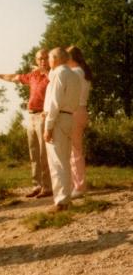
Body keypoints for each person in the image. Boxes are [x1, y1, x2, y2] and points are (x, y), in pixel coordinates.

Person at [0, 49, 53, 198]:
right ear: (36, 60)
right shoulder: (33, 75)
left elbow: (58, 84)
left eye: (45, 58)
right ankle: (37, 185)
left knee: (44, 154)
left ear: (49, 60)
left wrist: (45, 72)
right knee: (34, 153)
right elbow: (14, 77)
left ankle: (48, 187)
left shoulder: (53, 74)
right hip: (31, 116)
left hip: (44, 116)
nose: (42, 61)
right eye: (39, 59)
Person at [43, 47, 81, 211]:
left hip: (58, 118)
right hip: (69, 117)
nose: (48, 61)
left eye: (50, 58)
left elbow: (54, 103)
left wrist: (48, 126)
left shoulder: (60, 74)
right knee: (64, 160)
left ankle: (61, 202)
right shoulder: (74, 74)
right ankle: (65, 198)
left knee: (57, 162)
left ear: (56, 59)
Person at [66, 46, 92, 198]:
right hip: (81, 110)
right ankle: (76, 184)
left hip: (75, 111)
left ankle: (79, 187)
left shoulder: (75, 73)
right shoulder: (82, 72)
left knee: (74, 151)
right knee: (74, 150)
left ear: (70, 58)